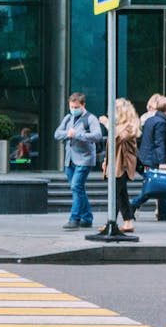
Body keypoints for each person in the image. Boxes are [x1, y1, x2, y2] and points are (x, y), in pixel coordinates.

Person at [53, 92, 102, 230]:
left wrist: (78, 135)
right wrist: (67, 134)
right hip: (70, 159)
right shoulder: (68, 118)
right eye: (71, 106)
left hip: (85, 159)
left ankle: (74, 219)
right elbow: (57, 134)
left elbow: (98, 135)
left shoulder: (90, 118)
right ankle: (87, 218)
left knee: (76, 186)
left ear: (83, 105)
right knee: (78, 189)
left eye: (76, 106)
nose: (73, 109)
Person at [99, 98, 141, 233]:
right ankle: (128, 222)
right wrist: (106, 162)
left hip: (122, 166)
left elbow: (118, 137)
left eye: (114, 110)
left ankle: (111, 223)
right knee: (122, 194)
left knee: (115, 194)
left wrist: (107, 124)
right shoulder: (120, 126)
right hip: (115, 165)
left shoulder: (129, 126)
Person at [131, 96, 166, 221]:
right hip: (155, 160)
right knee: (153, 187)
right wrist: (162, 162)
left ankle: (163, 212)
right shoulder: (162, 123)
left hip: (147, 158)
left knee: (159, 185)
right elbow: (160, 143)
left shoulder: (151, 120)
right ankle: (133, 204)